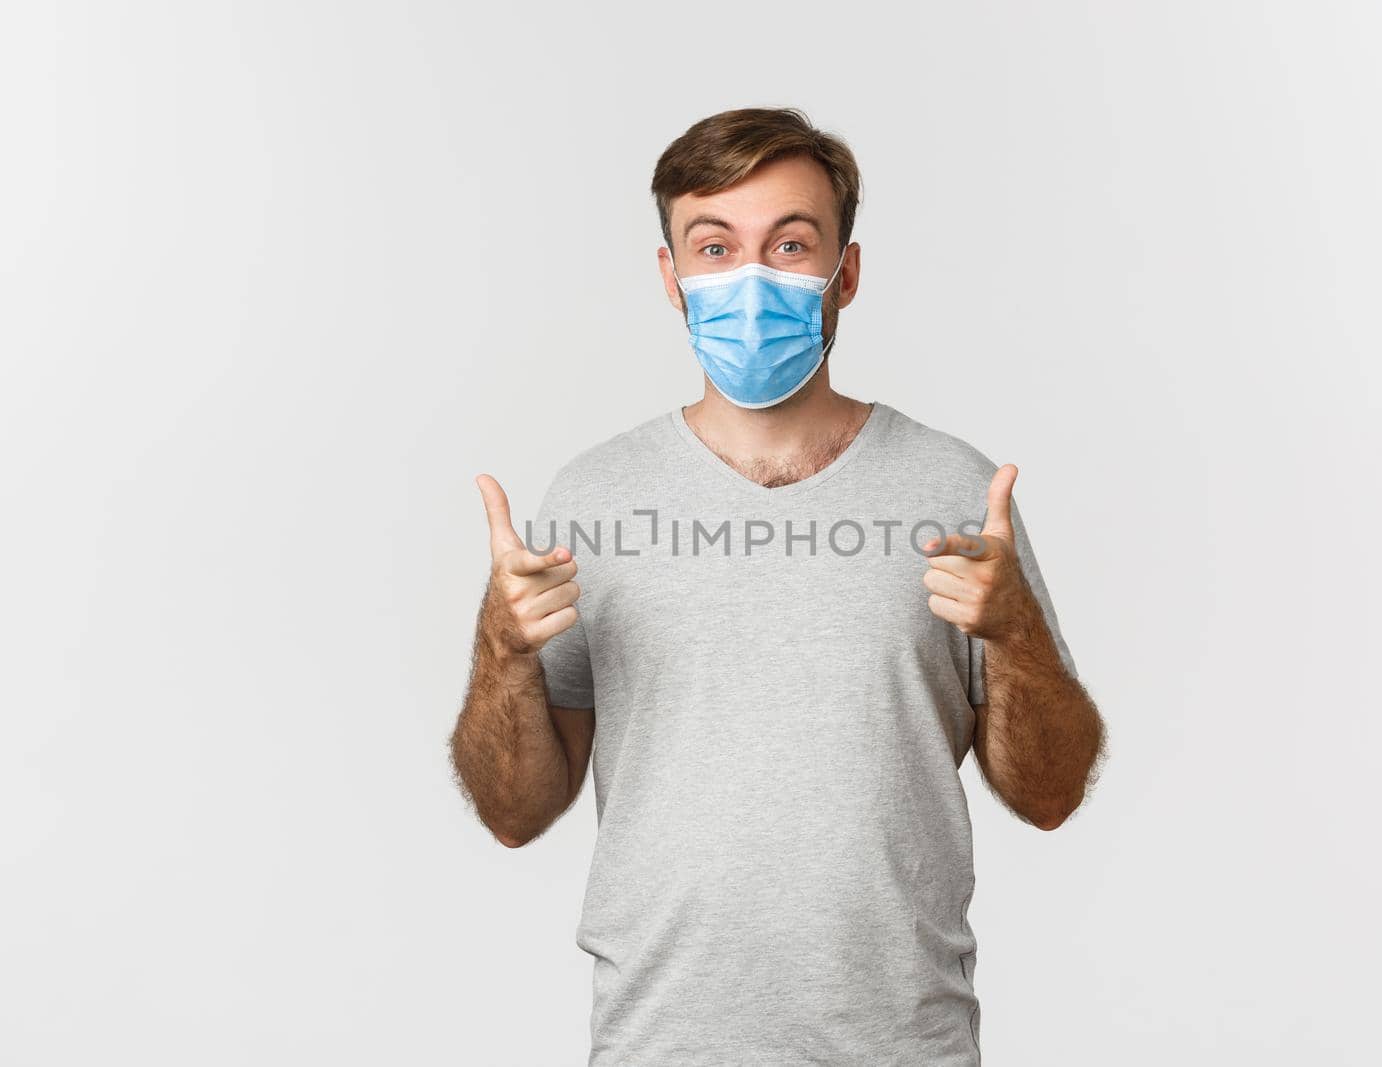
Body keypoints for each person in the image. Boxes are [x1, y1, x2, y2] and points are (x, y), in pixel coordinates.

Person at [450, 106, 1106, 1066]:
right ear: (671, 278)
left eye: (788, 243)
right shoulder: (592, 498)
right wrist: (502, 655)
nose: (748, 279)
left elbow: (1048, 795)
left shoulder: (957, 491)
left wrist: (1017, 639)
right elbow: (515, 814)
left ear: (846, 271)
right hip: (663, 1042)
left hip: (901, 1043)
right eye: (714, 246)